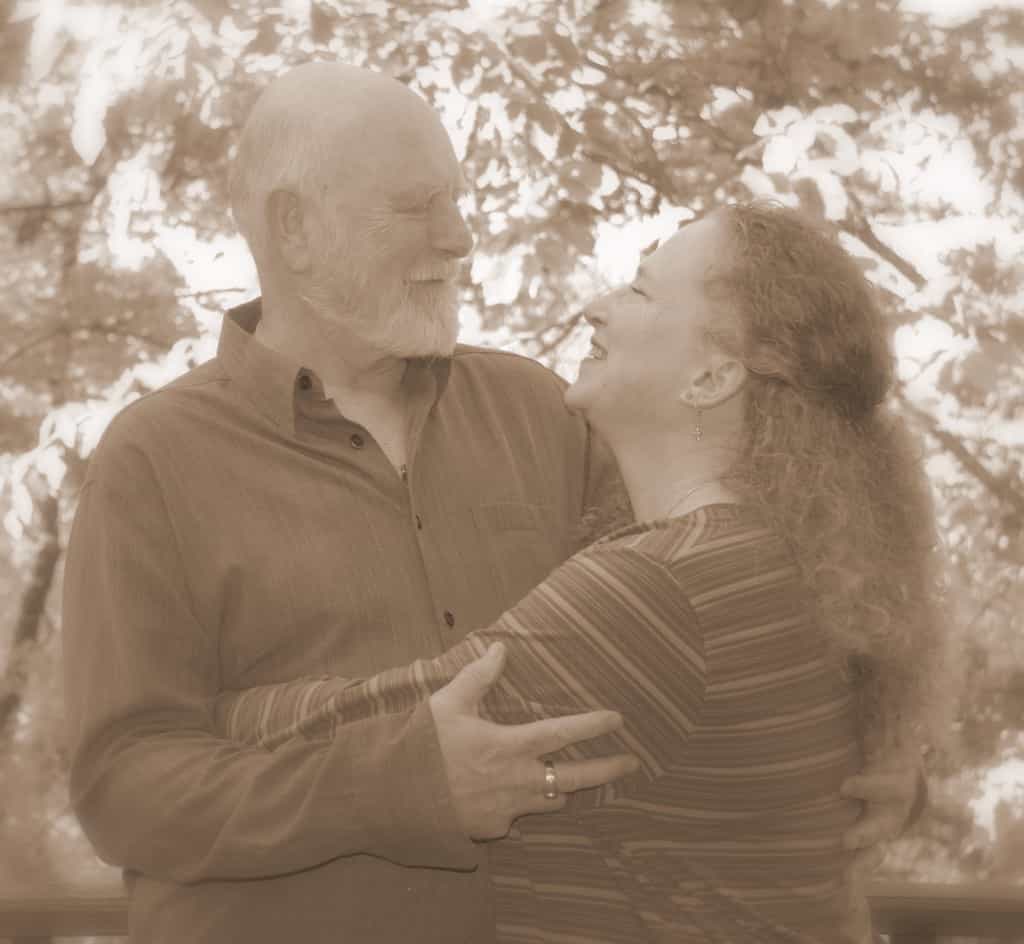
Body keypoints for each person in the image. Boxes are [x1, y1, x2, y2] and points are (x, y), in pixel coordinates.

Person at [61, 63, 923, 944]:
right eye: (417, 206)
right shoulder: (153, 458)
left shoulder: (545, 411)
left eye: (459, 201)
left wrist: (873, 751)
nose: (460, 236)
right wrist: (395, 784)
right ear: (295, 225)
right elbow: (123, 790)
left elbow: (746, 626)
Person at [212, 201, 945, 943]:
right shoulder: (776, 555)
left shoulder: (672, 585)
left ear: (712, 375)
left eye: (639, 291)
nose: (596, 307)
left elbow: (363, 734)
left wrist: (200, 708)